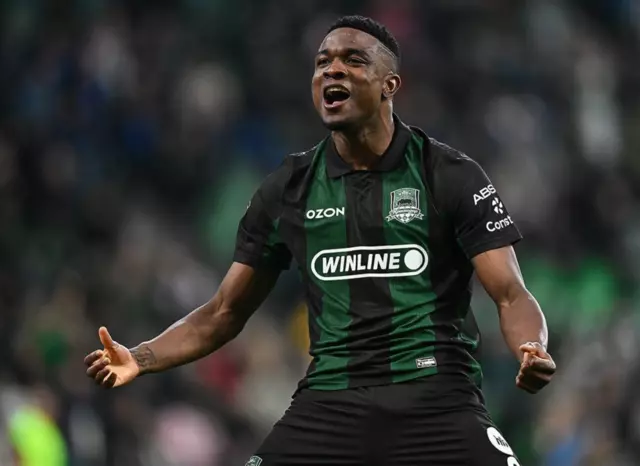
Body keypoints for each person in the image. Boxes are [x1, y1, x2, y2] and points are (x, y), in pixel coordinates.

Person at [84, 15, 556, 465]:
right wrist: (140, 358)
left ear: (390, 85)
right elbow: (223, 312)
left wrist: (530, 348)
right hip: (330, 404)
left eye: (353, 60)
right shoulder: (288, 189)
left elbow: (511, 293)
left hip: (436, 397)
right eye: (322, 62)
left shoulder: (449, 175)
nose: (332, 69)